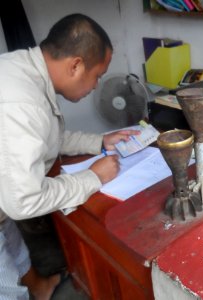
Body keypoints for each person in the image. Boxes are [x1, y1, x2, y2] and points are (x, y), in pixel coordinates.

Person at [0, 13, 138, 300]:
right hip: (11, 198)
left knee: (11, 242)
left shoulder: (23, 71)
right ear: (75, 65)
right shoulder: (20, 103)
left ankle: (40, 286)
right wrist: (94, 177)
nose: (98, 85)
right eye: (98, 75)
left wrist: (100, 140)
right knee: (7, 289)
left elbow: (47, 137)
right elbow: (23, 200)